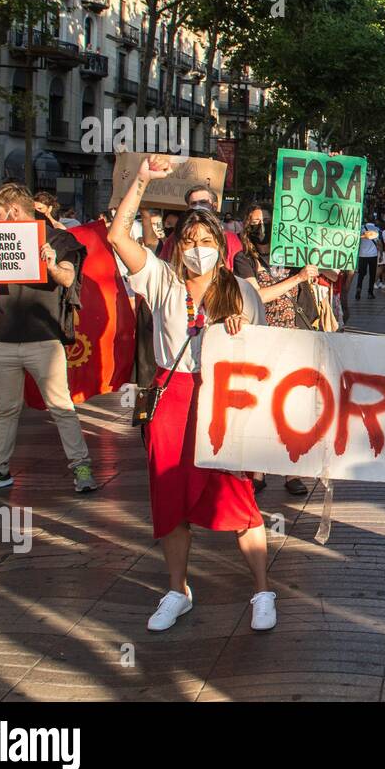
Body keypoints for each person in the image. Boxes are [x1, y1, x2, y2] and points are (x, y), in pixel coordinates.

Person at [108, 155, 275, 633]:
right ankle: (176, 590)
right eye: (190, 241)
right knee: (170, 500)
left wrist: (242, 333)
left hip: (221, 401)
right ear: (178, 246)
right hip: (172, 397)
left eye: (206, 241)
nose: (197, 249)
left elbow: (261, 360)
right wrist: (140, 181)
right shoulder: (161, 279)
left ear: (220, 247)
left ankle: (262, 590)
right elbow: (119, 237)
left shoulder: (241, 290)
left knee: (238, 496)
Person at [0, 183, 97, 496]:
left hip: (44, 340)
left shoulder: (58, 238)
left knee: (60, 406)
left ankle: (81, 465)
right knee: (6, 409)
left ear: (14, 211)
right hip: (2, 339)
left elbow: (68, 278)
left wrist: (52, 264)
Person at [238, 202, 320, 497]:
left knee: (293, 406)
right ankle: (257, 470)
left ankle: (291, 470)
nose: (261, 226)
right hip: (262, 342)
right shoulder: (243, 260)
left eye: (266, 220)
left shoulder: (294, 254)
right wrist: (296, 279)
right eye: (254, 221)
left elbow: (334, 274)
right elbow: (256, 296)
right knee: (260, 405)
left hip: (295, 340)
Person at [157, 185, 243, 269]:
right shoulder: (176, 236)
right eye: (193, 203)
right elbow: (163, 266)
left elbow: (239, 268)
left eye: (203, 202)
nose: (198, 206)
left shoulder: (229, 238)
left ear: (214, 206)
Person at [353, 217, 381, 299]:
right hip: (373, 255)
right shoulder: (376, 229)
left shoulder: (361, 229)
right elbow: (378, 242)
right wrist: (381, 254)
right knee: (372, 275)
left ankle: (358, 289)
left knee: (361, 274)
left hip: (362, 255)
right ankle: (370, 293)